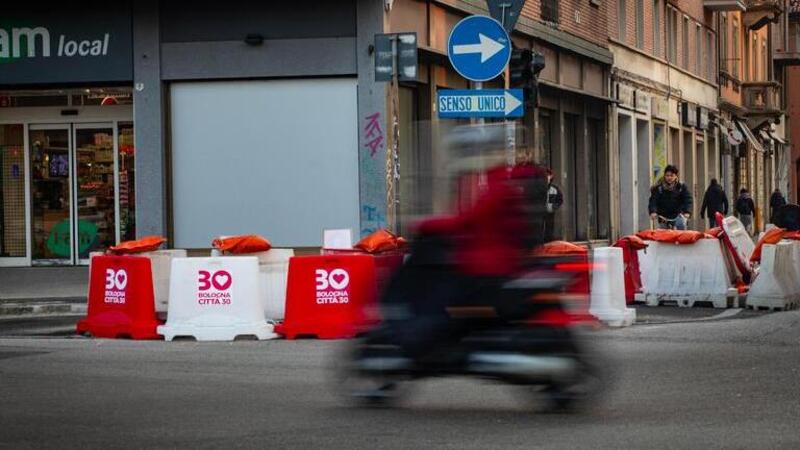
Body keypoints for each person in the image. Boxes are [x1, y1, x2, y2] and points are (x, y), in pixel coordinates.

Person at [648, 165, 692, 230]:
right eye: (667, 175)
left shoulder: (681, 187)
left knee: (681, 229)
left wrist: (687, 212)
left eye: (671, 175)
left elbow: (688, 200)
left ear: (676, 176)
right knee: (663, 235)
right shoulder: (659, 188)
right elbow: (653, 201)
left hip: (678, 215)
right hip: (663, 217)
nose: (669, 177)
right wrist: (653, 211)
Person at [544, 169, 564, 241]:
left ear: (551, 177)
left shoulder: (554, 189)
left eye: (548, 175)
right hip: (540, 212)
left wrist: (554, 207)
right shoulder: (538, 188)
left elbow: (560, 200)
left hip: (550, 212)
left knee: (549, 228)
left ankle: (549, 242)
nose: (546, 177)